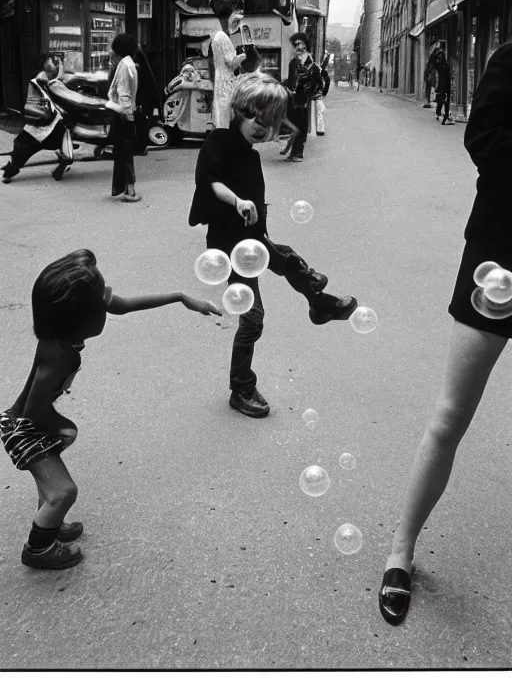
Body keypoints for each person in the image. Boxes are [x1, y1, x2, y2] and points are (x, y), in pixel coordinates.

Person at [378, 41, 512, 625]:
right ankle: (400, 552)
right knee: (450, 415)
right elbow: (483, 140)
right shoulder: (509, 57)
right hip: (500, 251)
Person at [0, 249, 221, 570]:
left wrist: (181, 297)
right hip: (25, 428)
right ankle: (38, 549)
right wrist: (63, 430)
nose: (108, 300)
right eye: (100, 300)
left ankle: (49, 521)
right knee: (63, 491)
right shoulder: (59, 355)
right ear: (81, 318)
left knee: (52, 486)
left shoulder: (65, 327)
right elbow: (34, 410)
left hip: (31, 423)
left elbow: (127, 305)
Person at [188, 72, 358, 418]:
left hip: (251, 241)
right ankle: (241, 389)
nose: (260, 127)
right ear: (240, 109)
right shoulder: (219, 142)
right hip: (228, 247)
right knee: (253, 321)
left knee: (288, 260)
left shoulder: (250, 154)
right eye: (255, 117)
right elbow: (209, 182)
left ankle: (319, 303)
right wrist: (238, 202)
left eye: (268, 123)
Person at [1, 53, 72, 184]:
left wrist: (61, 64)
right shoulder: (41, 77)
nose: (54, 64)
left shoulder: (43, 77)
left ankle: (12, 168)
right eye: (51, 61)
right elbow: (60, 80)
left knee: (25, 145)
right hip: (45, 121)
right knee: (25, 145)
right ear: (43, 64)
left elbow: (59, 79)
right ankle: (12, 168)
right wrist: (62, 64)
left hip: (47, 121)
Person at [106, 32, 141, 202]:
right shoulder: (126, 64)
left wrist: (128, 117)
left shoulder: (124, 66)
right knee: (123, 152)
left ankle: (130, 190)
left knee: (125, 153)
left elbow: (124, 94)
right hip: (124, 113)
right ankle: (127, 189)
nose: (110, 51)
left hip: (124, 114)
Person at [209, 0, 247, 129]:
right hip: (227, 81)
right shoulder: (223, 37)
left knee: (222, 117)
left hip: (221, 80)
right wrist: (244, 55)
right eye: (237, 10)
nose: (240, 15)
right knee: (227, 117)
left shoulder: (217, 36)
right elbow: (232, 63)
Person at [284, 33, 323, 162]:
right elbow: (291, 82)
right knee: (294, 124)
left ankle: (297, 152)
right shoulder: (293, 62)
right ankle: (294, 151)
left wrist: (313, 94)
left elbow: (317, 82)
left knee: (301, 125)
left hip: (304, 99)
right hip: (293, 99)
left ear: (306, 44)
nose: (299, 46)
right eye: (296, 44)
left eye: (301, 43)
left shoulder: (312, 64)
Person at [434, 52, 454, 125]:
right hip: (446, 87)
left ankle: (438, 114)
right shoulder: (446, 66)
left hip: (440, 87)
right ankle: (445, 118)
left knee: (440, 101)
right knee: (446, 103)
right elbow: (448, 78)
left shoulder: (439, 66)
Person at [315, 52, 330, 136]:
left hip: (318, 94)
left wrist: (324, 92)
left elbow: (327, 81)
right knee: (319, 110)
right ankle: (319, 129)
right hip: (318, 93)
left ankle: (319, 129)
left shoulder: (322, 71)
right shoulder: (322, 71)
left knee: (319, 110)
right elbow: (327, 81)